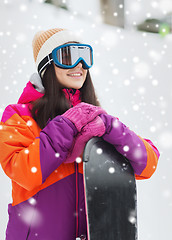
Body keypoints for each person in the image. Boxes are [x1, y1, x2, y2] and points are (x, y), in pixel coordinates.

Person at [0, 28, 160, 240]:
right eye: (68, 56)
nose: (79, 65)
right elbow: (24, 172)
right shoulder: (19, 115)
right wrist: (65, 125)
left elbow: (148, 163)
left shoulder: (95, 119)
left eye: (85, 57)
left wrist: (112, 128)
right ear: (47, 65)